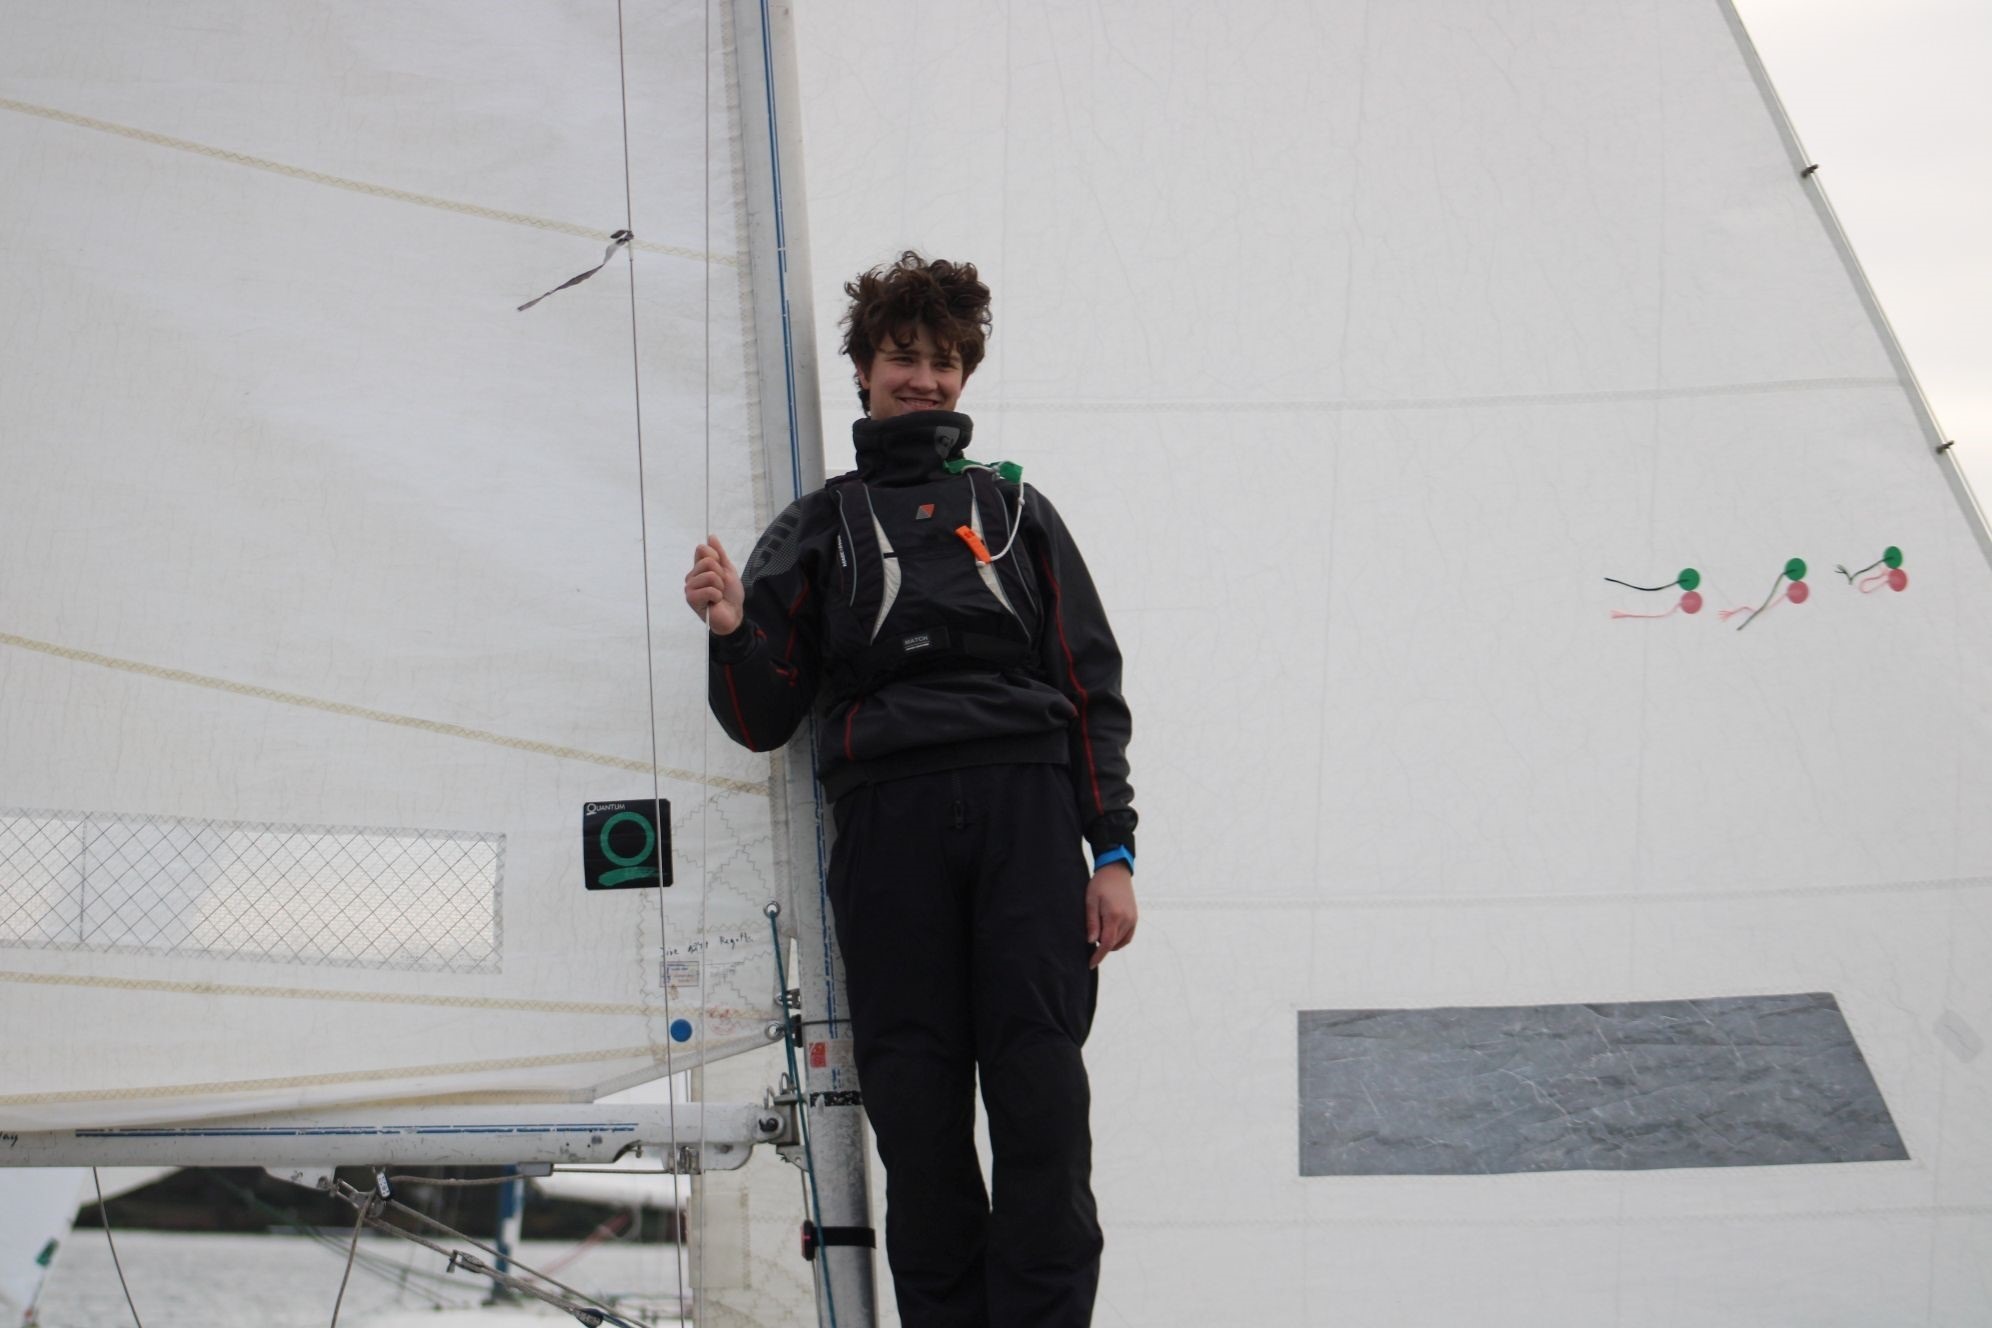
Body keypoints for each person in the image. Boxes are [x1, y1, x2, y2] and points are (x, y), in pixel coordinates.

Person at [684, 251, 1136, 1327]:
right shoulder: (817, 526)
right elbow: (763, 717)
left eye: (943, 361)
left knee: (1041, 1101)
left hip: (1027, 820)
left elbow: (1089, 687)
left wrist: (1112, 851)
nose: (923, 379)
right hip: (890, 831)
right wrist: (733, 629)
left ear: (965, 375)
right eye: (902, 357)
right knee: (918, 1113)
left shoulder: (1017, 511)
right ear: (864, 368)